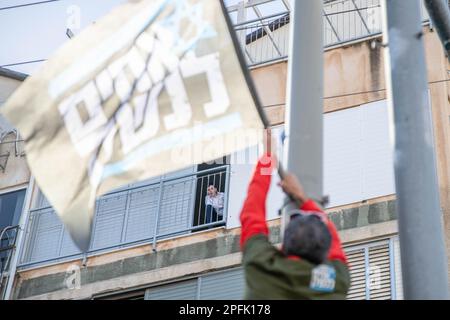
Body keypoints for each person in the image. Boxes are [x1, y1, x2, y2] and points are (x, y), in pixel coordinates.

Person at [239, 130, 350, 299]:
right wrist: (302, 197)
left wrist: (268, 157)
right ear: (324, 251)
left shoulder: (260, 265)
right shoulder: (335, 281)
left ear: (284, 243)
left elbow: (252, 208)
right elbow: (251, 216)